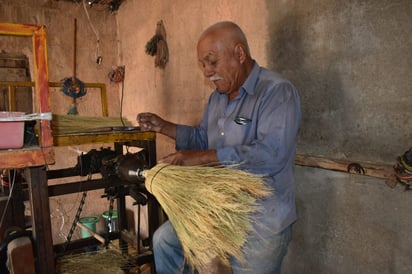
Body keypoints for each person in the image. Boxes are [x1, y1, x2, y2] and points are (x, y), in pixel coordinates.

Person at [137, 21, 301, 274]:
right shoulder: (217, 98)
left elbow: (272, 155)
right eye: (202, 64)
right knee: (164, 241)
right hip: (217, 211)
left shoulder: (276, 92)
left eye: (212, 62)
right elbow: (204, 138)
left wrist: (201, 158)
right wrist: (164, 126)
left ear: (240, 53)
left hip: (260, 220)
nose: (206, 71)